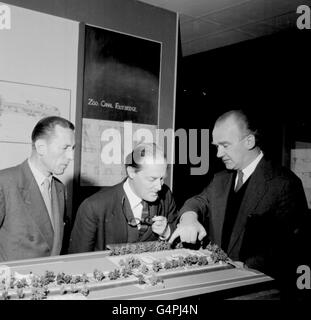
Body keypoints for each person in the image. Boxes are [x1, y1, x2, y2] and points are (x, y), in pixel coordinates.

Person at [170, 109, 309, 296]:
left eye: (225, 145)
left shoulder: (284, 184)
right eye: (216, 146)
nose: (218, 153)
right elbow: (197, 201)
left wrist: (248, 266)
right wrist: (188, 219)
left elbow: (292, 246)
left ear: (249, 141)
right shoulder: (220, 179)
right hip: (218, 285)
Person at [69, 143, 177, 253]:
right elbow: (77, 260)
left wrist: (167, 231)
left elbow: (180, 242)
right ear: (131, 172)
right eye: (152, 179)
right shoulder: (93, 206)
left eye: (162, 179)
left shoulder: (166, 195)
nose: (159, 187)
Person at [0, 116, 75, 262]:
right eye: (65, 148)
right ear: (41, 147)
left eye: (72, 148)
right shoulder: (5, 182)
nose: (71, 156)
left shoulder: (60, 188)